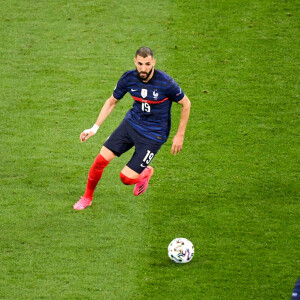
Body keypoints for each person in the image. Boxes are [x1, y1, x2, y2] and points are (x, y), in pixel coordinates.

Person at [73, 47, 191, 210]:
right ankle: (87, 197)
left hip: (154, 135)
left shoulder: (165, 82)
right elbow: (111, 102)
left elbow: (186, 103)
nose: (143, 68)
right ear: (135, 61)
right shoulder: (128, 78)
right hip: (131, 125)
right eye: (140, 64)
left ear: (154, 62)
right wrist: (94, 128)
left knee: (126, 178)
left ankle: (145, 172)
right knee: (100, 160)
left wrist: (180, 135)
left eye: (147, 64)